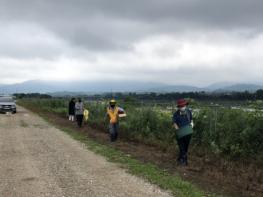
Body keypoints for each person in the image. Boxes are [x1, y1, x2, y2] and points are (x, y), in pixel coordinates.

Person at [173, 99, 194, 166]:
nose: (182, 107)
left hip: (188, 132)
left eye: (183, 106)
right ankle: (184, 161)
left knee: (185, 147)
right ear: (179, 107)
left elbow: (191, 120)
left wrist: (192, 124)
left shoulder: (188, 112)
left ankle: (180, 158)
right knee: (181, 147)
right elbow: (174, 123)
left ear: (185, 105)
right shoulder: (176, 114)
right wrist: (177, 129)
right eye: (181, 106)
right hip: (180, 133)